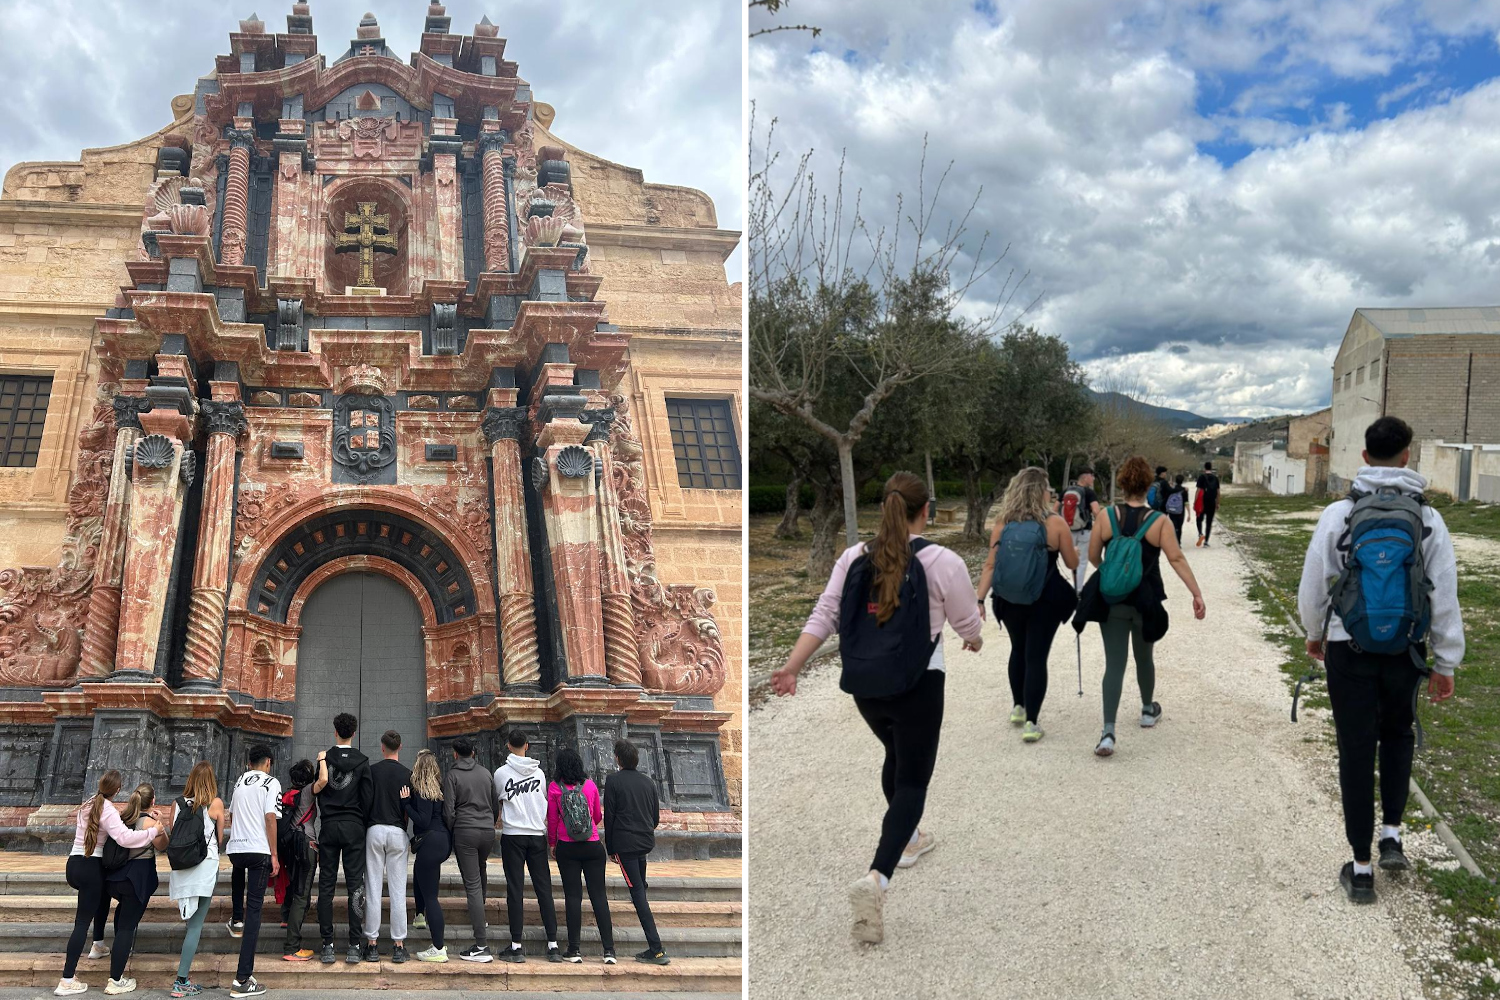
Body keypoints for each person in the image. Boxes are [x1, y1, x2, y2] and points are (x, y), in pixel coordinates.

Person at [770, 471, 984, 945]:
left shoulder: (853, 557)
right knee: (912, 779)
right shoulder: (942, 561)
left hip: (867, 686)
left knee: (895, 754)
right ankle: (878, 877)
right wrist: (975, 638)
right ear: (925, 511)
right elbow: (967, 620)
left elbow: (825, 614)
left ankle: (908, 837)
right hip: (918, 684)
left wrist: (791, 667)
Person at [1297, 416, 1463, 904]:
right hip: (1407, 649)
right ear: (1408, 456)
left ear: (1364, 458)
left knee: (1355, 748)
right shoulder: (1428, 518)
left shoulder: (1339, 513)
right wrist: (1445, 661)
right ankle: (1392, 834)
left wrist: (1314, 633)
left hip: (1349, 645)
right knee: (1397, 734)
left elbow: (1313, 583)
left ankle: (1362, 868)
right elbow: (1445, 594)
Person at [1074, 456, 1207, 758]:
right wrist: (1196, 594)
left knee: (1114, 664)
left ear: (1121, 484)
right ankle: (1148, 710)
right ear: (1148, 486)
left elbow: (1094, 556)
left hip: (1113, 601)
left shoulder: (1107, 516)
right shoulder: (1158, 521)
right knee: (1144, 656)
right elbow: (1176, 559)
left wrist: (1114, 574)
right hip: (1146, 600)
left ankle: (1108, 733)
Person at [975, 467, 1079, 742]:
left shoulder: (1003, 522)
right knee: (1036, 656)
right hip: (1045, 600)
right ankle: (1032, 722)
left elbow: (989, 565)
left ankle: (1018, 708)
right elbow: (1071, 563)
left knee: (1018, 649)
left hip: (1009, 600)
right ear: (1041, 491)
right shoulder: (1055, 524)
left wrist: (980, 599)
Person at [55, 771, 157, 996]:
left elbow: (108, 821)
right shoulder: (107, 809)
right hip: (92, 865)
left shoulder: (89, 803)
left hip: (73, 864)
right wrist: (152, 831)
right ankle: (67, 979)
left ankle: (98, 945)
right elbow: (124, 838)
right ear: (118, 790)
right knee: (82, 922)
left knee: (100, 901)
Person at [494, 730, 560, 963]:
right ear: (527, 746)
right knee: (544, 889)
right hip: (536, 835)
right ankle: (553, 945)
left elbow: (499, 800)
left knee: (515, 890)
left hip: (513, 835)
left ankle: (516, 945)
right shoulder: (539, 773)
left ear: (509, 746)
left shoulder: (501, 773)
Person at [545, 747, 614, 964]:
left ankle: (574, 950)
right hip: (593, 846)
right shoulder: (590, 785)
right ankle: (609, 951)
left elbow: (553, 819)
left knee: (573, 897)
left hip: (568, 847)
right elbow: (596, 816)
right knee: (599, 897)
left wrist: (553, 844)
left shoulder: (555, 788)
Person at [313, 713, 372, 964]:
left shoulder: (324, 759)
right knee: (355, 885)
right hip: (354, 827)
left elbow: (318, 789)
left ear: (335, 731)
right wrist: (362, 823)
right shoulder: (362, 761)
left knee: (326, 885)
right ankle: (355, 945)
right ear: (354, 734)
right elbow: (367, 798)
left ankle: (327, 944)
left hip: (329, 826)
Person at [604, 740, 668, 966]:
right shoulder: (648, 782)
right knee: (640, 886)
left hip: (626, 845)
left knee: (638, 894)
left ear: (618, 759)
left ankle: (657, 949)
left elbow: (609, 816)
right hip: (643, 842)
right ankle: (655, 946)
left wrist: (610, 848)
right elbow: (655, 818)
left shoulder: (613, 781)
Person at [225, 746, 282, 998]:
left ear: (249, 763)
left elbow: (232, 814)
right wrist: (274, 854)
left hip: (236, 849)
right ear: (268, 762)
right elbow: (271, 817)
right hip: (258, 851)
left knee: (239, 873)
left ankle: (236, 919)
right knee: (255, 911)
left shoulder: (239, 781)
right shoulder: (271, 783)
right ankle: (242, 979)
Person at [167, 762, 226, 998]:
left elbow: (174, 835)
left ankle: (184, 975)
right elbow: (220, 839)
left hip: (182, 867)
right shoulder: (216, 804)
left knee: (189, 921)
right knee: (196, 925)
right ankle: (181, 980)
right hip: (205, 865)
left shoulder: (177, 803)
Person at [101, 783, 165, 996]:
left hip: (116, 876)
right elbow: (162, 845)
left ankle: (120, 954)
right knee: (127, 927)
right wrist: (159, 823)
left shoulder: (123, 818)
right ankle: (115, 979)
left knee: (122, 918)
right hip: (136, 878)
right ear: (153, 801)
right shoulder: (149, 822)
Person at [443, 736, 498, 962]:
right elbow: (495, 805)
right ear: (473, 753)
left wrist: (454, 830)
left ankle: (481, 945)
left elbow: (449, 810)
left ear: (455, 754)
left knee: (472, 884)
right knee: (481, 869)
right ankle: (480, 916)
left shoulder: (452, 775)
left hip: (466, 831)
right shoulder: (486, 773)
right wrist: (489, 823)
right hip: (487, 830)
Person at [364, 731, 412, 964]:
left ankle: (372, 944)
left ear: (382, 747)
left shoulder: (372, 772)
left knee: (372, 887)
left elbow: (365, 803)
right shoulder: (407, 774)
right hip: (397, 832)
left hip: (374, 830)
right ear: (399, 747)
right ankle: (398, 945)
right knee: (397, 890)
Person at [401, 749, 451, 962]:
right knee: (420, 874)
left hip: (430, 842)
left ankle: (438, 948)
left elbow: (421, 819)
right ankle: (419, 916)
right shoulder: (437, 788)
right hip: (441, 841)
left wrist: (405, 804)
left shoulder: (421, 790)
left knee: (432, 896)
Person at [278, 760, 319, 962]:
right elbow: (324, 781)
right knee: (302, 895)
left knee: (293, 885)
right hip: (306, 844)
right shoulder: (308, 791)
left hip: (290, 845)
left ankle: (286, 918)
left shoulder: (288, 794)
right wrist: (322, 761)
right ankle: (292, 947)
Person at [1058, 468, 1102, 591]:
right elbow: (1096, 510)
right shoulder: (1089, 493)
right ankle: (1078, 589)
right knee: (1082, 561)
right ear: (1085, 477)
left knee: (1072, 559)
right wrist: (1100, 525)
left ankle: (1075, 584)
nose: (1093, 479)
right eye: (1092, 476)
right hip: (1084, 530)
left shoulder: (1066, 491)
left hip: (1068, 531)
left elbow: (1055, 508)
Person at [1195, 461, 1221, 546]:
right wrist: (1217, 503)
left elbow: (1198, 491)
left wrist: (1195, 502)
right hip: (1211, 502)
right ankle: (1206, 542)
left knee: (1199, 518)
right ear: (1211, 467)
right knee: (1209, 522)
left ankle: (1200, 534)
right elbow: (1218, 492)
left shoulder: (1201, 477)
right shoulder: (1215, 478)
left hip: (1202, 502)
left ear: (1204, 468)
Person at [1163, 475, 1189, 541]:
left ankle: (1173, 540)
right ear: (1182, 481)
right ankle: (1178, 541)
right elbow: (1186, 502)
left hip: (1172, 510)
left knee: (1174, 526)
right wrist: (1189, 513)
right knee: (1179, 527)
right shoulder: (1184, 491)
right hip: (1181, 511)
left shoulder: (1171, 490)